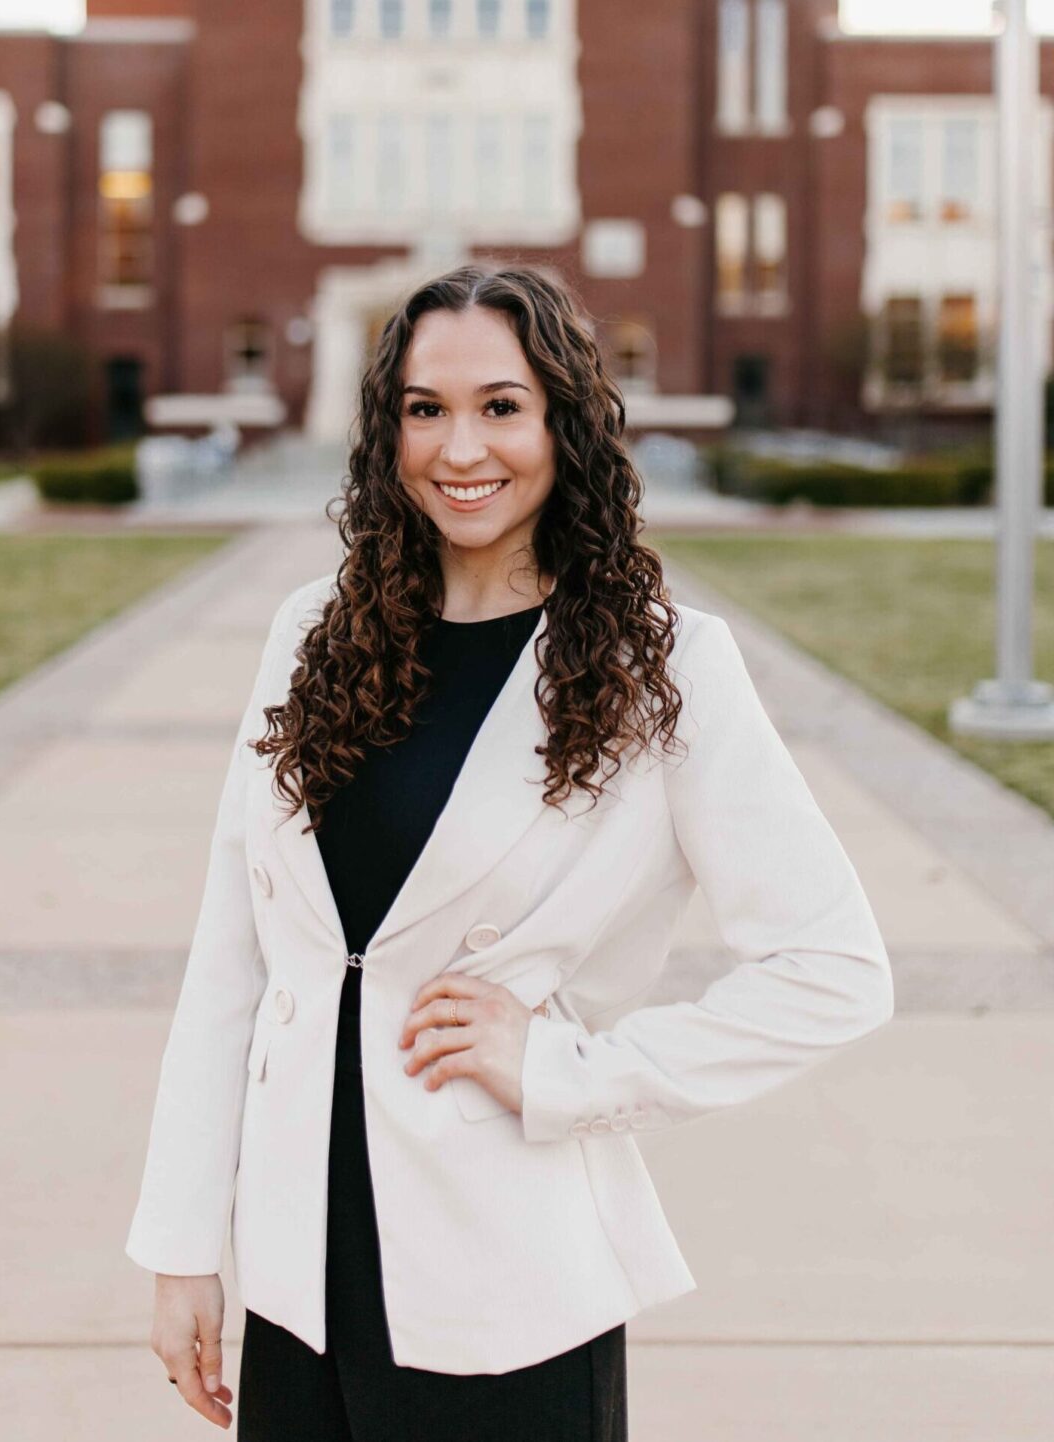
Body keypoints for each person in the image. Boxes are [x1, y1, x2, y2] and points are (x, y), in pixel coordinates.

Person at [125, 264, 894, 1439]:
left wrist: (571, 1069)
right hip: (298, 1280)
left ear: (562, 424)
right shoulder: (309, 634)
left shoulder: (665, 668)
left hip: (505, 1289)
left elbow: (833, 968)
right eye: (425, 409)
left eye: (501, 405)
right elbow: (236, 959)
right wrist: (182, 1240)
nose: (459, 447)